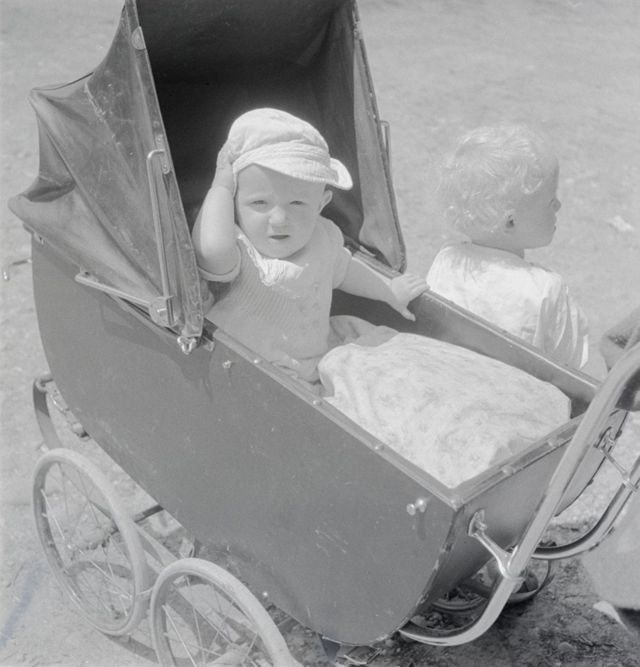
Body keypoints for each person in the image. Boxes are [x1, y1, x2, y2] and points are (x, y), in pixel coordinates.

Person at [192, 107, 426, 383]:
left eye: (297, 203)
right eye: (259, 203)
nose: (279, 219)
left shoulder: (323, 236)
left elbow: (345, 271)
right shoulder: (239, 249)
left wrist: (389, 291)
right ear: (234, 203)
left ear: (321, 204)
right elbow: (212, 250)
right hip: (244, 370)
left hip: (311, 361)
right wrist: (221, 186)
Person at [426, 124, 589, 369]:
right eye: (550, 200)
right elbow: (569, 368)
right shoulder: (546, 289)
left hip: (447, 375)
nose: (559, 205)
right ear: (510, 221)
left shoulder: (447, 259)